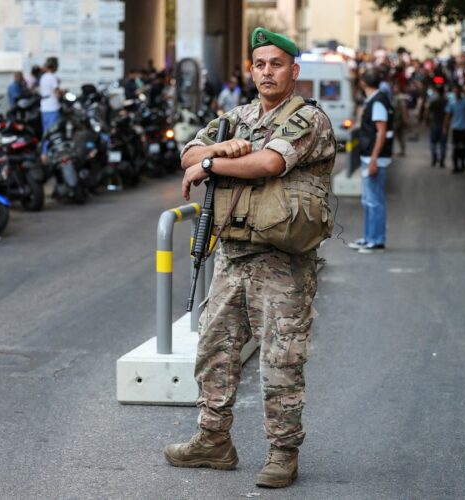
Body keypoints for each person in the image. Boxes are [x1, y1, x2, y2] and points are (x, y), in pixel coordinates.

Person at [167, 27, 336, 489]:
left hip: (282, 262)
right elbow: (187, 153)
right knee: (214, 350)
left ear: (293, 71)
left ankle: (283, 452)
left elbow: (267, 164)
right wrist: (214, 150)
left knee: (280, 361)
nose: (266, 72)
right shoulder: (235, 117)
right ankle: (213, 439)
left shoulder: (308, 120)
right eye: (260, 64)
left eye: (276, 64)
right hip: (232, 255)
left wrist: (210, 165)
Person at [347, 69, 393, 253]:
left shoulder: (378, 102)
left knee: (374, 201)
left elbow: (381, 132)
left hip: (375, 157)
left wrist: (374, 159)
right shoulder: (374, 100)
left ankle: (376, 240)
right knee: (368, 200)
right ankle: (368, 238)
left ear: (363, 83)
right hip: (371, 156)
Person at [443, 84, 465, 173]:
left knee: (462, 147)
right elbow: (448, 115)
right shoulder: (452, 103)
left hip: (464, 128)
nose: (456, 92)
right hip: (456, 128)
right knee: (455, 148)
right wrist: (445, 126)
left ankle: (462, 164)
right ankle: (456, 166)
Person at [423, 85, 447, 167]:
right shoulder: (446, 101)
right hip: (444, 125)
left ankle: (434, 157)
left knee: (433, 142)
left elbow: (427, 110)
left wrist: (425, 120)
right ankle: (442, 160)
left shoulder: (434, 101)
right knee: (443, 144)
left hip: (435, 124)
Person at [38, 57, 61, 136]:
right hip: (52, 107)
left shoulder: (43, 77)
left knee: (46, 131)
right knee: (53, 132)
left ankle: (45, 148)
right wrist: (62, 93)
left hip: (44, 107)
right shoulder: (52, 77)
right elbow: (57, 93)